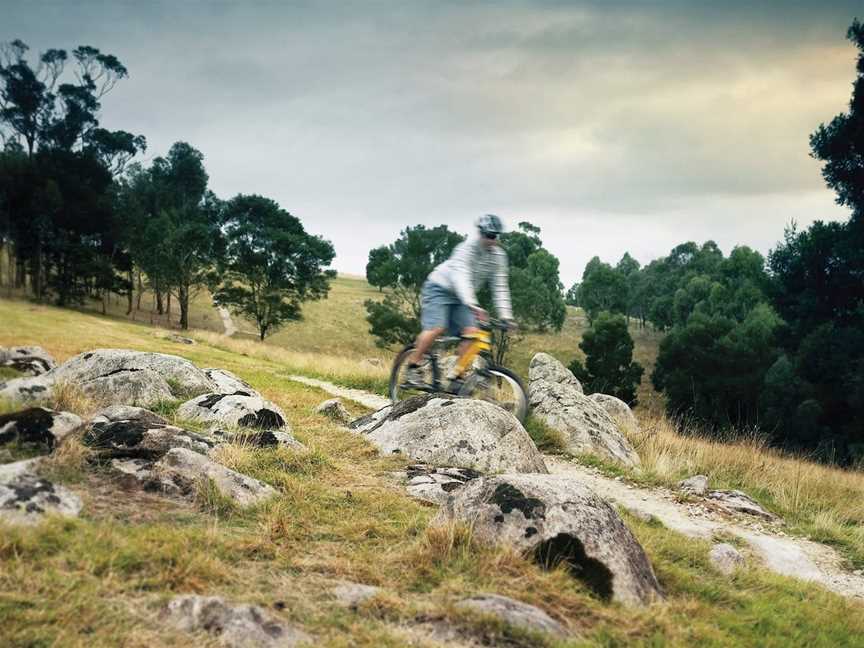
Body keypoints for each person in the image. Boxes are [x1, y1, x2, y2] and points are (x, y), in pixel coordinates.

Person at [405, 214, 516, 387]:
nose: (490, 240)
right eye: (487, 235)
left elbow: (500, 286)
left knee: (472, 333)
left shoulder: (498, 257)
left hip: (463, 298)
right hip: (440, 288)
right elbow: (461, 278)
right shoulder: (465, 249)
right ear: (480, 233)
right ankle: (413, 366)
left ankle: (457, 378)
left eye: (494, 236)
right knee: (437, 327)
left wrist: (507, 317)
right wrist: (473, 305)